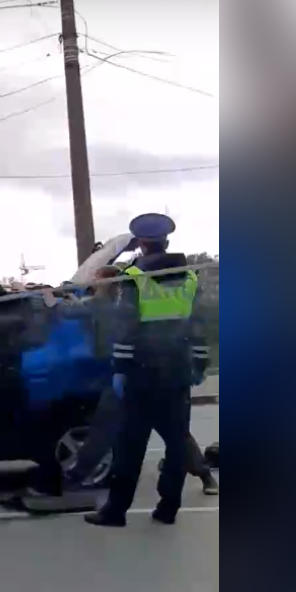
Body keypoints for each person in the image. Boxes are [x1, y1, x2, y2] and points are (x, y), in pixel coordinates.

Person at [85, 213, 203, 527]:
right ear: (166, 241)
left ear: (140, 243)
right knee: (177, 443)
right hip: (177, 369)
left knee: (130, 445)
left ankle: (115, 511)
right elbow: (199, 324)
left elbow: (126, 327)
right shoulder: (190, 276)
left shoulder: (133, 276)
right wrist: (200, 364)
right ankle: (168, 509)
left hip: (142, 371)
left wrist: (121, 369)